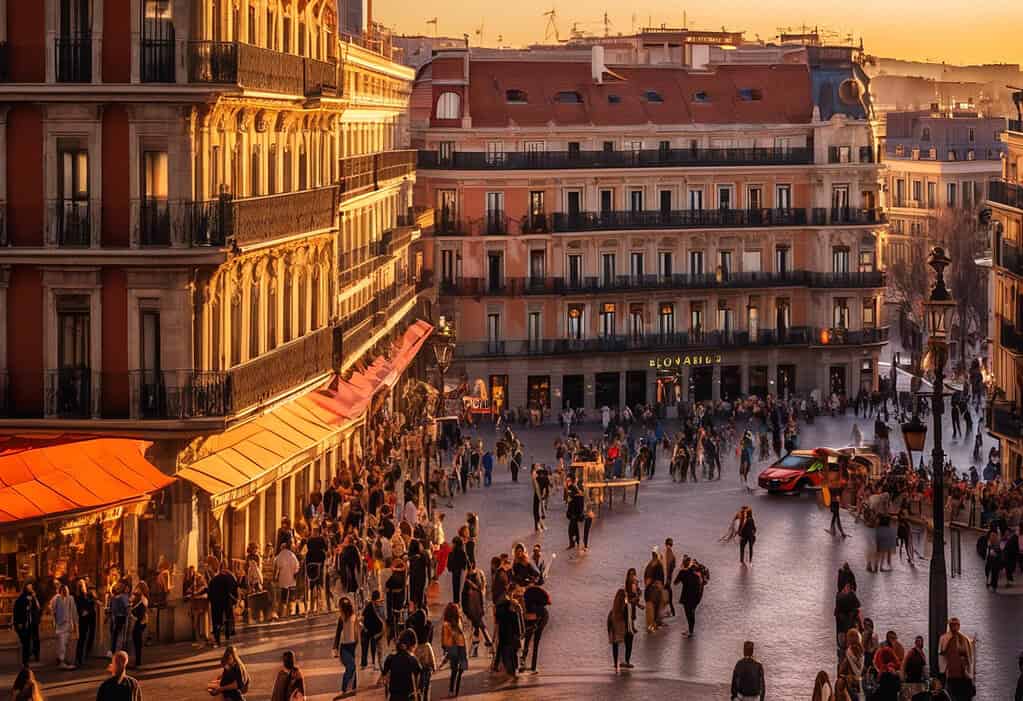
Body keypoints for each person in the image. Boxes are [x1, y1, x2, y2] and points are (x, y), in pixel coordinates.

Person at [379, 629, 422, 701]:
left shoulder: (390, 657)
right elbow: (420, 676)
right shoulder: (412, 659)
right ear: (411, 645)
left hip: (394, 696)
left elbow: (384, 676)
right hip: (407, 696)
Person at [938, 618, 974, 701]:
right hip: (951, 674)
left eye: (956, 624)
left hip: (963, 675)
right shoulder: (944, 638)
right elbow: (942, 654)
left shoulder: (964, 638)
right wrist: (943, 671)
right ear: (949, 626)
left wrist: (968, 671)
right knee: (952, 696)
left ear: (959, 626)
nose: (954, 626)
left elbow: (968, 656)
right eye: (952, 624)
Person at [520, 577, 550, 673]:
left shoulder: (527, 594)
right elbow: (548, 601)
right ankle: (533, 666)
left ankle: (523, 663)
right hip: (542, 617)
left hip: (533, 618)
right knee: (536, 642)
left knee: (527, 642)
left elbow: (527, 612)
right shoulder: (539, 591)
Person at [494, 588, 524, 679]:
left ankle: (506, 667)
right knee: (513, 652)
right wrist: (521, 633)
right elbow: (519, 624)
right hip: (512, 635)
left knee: (505, 650)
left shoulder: (502, 608)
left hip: (505, 633)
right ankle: (514, 669)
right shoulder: (514, 611)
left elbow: (498, 621)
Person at [332, 596, 359, 696]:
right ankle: (344, 689)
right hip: (344, 647)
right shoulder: (341, 619)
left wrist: (357, 644)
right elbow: (338, 634)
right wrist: (335, 648)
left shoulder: (354, 617)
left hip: (352, 646)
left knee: (353, 667)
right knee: (351, 666)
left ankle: (353, 688)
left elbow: (356, 632)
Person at [208, 561, 239, 646]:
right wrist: (235, 600)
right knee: (228, 616)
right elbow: (234, 589)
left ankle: (217, 636)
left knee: (217, 619)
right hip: (226, 599)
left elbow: (209, 591)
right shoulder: (230, 577)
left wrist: (211, 600)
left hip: (216, 601)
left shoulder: (214, 579)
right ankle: (228, 633)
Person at [441, 603, 468, 696]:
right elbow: (447, 638)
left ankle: (453, 690)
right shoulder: (448, 624)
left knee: (457, 670)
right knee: (457, 670)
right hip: (457, 647)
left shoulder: (457, 621)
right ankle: (453, 691)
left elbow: (445, 640)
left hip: (457, 647)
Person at [675, 556, 704, 638]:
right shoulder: (695, 571)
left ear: (683, 564)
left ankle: (690, 632)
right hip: (696, 596)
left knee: (689, 614)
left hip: (686, 597)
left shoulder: (682, 573)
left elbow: (675, 582)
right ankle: (691, 630)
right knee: (692, 613)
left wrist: (681, 571)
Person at [13, 584, 41, 667]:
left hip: (32, 623)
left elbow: (37, 608)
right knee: (25, 642)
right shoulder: (21, 599)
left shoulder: (33, 598)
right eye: (29, 587)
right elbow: (17, 611)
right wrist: (19, 623)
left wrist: (34, 598)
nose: (30, 588)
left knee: (31, 641)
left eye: (31, 587)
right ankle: (25, 661)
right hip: (23, 624)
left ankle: (34, 655)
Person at [607, 588, 634, 672]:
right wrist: (631, 630)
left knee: (615, 646)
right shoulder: (626, 607)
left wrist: (610, 632)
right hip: (623, 631)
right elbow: (628, 621)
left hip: (615, 632)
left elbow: (609, 622)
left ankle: (615, 663)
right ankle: (627, 661)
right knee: (629, 640)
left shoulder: (613, 611)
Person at [51, 583, 78, 669]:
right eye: (63, 590)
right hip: (60, 625)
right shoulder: (56, 598)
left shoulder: (70, 598)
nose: (65, 592)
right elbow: (53, 610)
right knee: (61, 643)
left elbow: (74, 612)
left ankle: (62, 659)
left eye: (66, 590)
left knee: (65, 643)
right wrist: (54, 622)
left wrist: (75, 625)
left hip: (68, 624)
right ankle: (61, 660)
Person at [273, 542, 300, 618]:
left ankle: (283, 612)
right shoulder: (292, 555)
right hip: (292, 578)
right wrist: (295, 574)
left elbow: (276, 567)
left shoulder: (279, 556)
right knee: (291, 594)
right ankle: (291, 611)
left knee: (284, 595)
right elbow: (297, 566)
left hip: (283, 578)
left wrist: (275, 577)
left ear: (281, 548)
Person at [360, 591, 386, 669]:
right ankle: (364, 664)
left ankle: (375, 663)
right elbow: (362, 619)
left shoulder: (380, 607)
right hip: (366, 630)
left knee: (375, 648)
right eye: (377, 601)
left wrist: (380, 633)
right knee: (365, 647)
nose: (378, 602)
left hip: (376, 631)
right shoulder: (368, 607)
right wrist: (364, 628)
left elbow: (383, 620)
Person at [75, 579, 98, 666]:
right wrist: (82, 611)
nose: (83, 587)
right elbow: (79, 607)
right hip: (84, 618)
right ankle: (79, 658)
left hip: (91, 617)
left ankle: (87, 654)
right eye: (81, 585)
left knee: (91, 635)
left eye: (83, 585)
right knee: (82, 637)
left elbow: (94, 602)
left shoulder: (89, 594)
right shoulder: (78, 596)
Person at [129, 582, 149, 668]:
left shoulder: (142, 599)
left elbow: (140, 613)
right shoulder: (141, 598)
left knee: (137, 641)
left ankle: (138, 662)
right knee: (136, 641)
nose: (135, 590)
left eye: (137, 588)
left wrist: (132, 614)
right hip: (141, 621)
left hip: (140, 622)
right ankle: (137, 661)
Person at [663, 538, 677, 618]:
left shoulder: (667, 553)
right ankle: (672, 612)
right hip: (669, 578)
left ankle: (671, 612)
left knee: (666, 596)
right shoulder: (672, 554)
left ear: (665, 544)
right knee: (669, 595)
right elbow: (673, 566)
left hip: (666, 579)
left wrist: (667, 579)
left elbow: (667, 566)